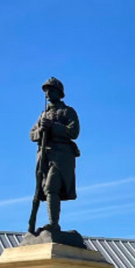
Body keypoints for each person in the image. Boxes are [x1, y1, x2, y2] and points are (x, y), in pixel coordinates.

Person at [28, 77, 80, 234]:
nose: (48, 93)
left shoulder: (68, 111)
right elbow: (32, 134)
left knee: (51, 186)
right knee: (44, 189)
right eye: (46, 91)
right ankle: (49, 224)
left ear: (59, 93)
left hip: (62, 156)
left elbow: (74, 131)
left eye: (51, 90)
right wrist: (41, 131)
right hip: (45, 156)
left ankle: (53, 224)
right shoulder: (43, 115)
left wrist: (54, 127)